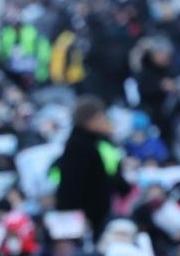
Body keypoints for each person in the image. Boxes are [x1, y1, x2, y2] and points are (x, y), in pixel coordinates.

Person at [54, 95, 130, 234]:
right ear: (88, 121)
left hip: (101, 210)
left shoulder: (100, 141)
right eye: (99, 117)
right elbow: (72, 185)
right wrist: (79, 215)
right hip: (84, 216)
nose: (104, 121)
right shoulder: (77, 146)